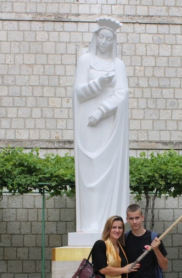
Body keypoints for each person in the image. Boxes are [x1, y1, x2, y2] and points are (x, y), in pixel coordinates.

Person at [73, 17, 130, 233]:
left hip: (109, 126)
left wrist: (102, 110)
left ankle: (110, 223)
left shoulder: (118, 65)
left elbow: (122, 94)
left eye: (109, 39)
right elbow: (78, 92)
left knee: (108, 173)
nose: (105, 42)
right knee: (90, 174)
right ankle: (90, 225)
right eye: (101, 37)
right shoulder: (85, 60)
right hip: (88, 127)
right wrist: (99, 84)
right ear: (96, 39)